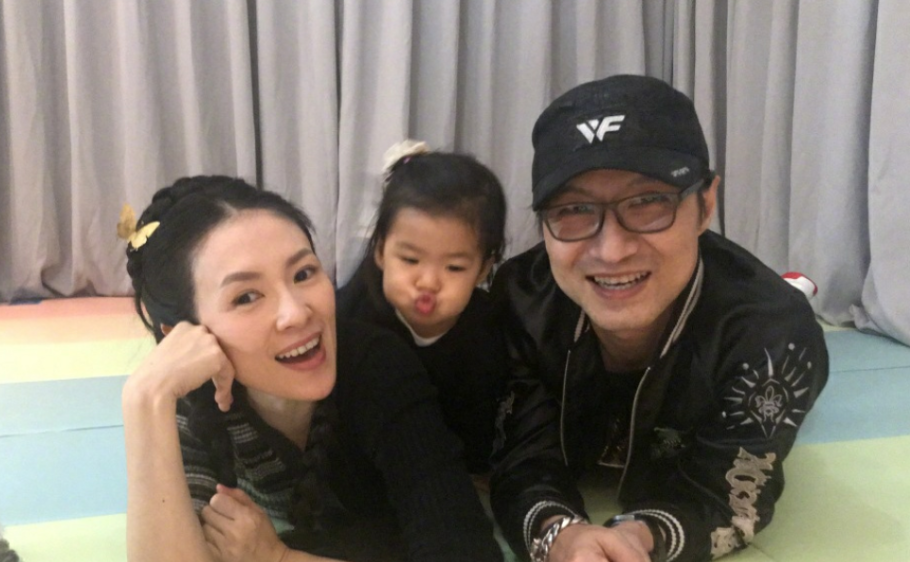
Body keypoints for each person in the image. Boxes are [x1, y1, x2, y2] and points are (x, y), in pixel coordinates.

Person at [489, 75, 828, 562]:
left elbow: (727, 491)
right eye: (574, 209)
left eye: (649, 202)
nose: (612, 251)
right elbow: (519, 457)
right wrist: (560, 536)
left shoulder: (772, 338)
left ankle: (794, 286)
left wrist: (636, 539)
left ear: (706, 205)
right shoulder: (520, 301)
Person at [120, 176, 503, 562]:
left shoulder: (376, 366)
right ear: (182, 334)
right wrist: (144, 399)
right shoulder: (188, 395)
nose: (297, 313)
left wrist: (278, 558)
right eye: (246, 297)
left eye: (303, 274)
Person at [337, 140, 509, 475]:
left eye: (454, 267)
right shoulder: (351, 319)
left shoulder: (488, 330)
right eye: (410, 260)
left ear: (483, 270)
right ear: (380, 251)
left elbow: (479, 422)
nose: (428, 282)